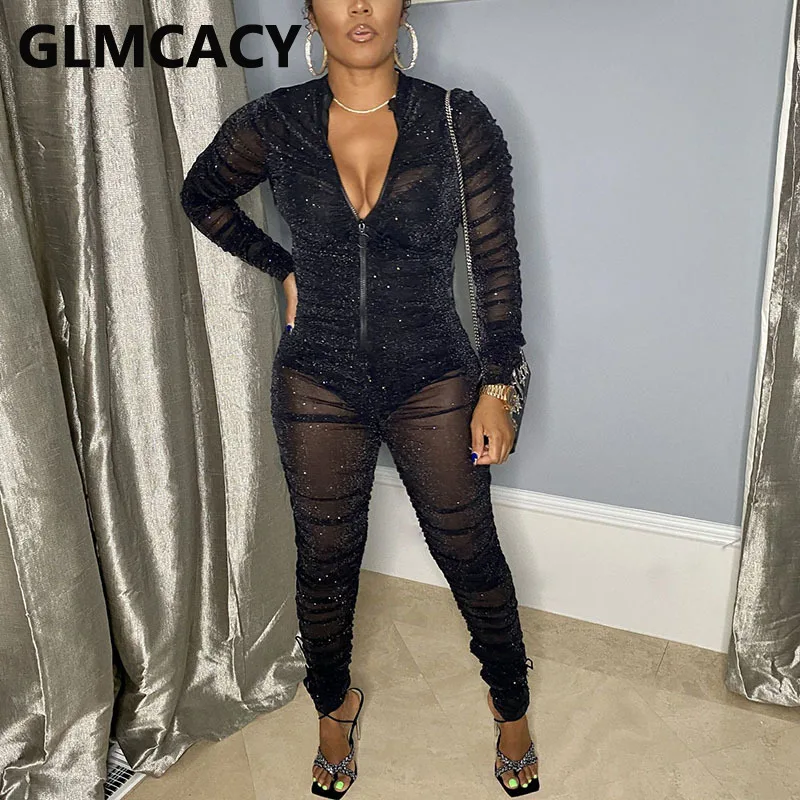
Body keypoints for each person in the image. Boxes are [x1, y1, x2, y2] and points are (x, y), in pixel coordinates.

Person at [179, 0, 539, 796]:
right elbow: (201, 195)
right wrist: (281, 265)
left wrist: (499, 385)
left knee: (469, 552)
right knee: (325, 563)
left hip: (434, 376)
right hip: (317, 378)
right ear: (312, 15)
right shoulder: (275, 123)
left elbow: (496, 266)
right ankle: (333, 708)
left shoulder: (458, 121)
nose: (360, 7)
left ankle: (510, 704)